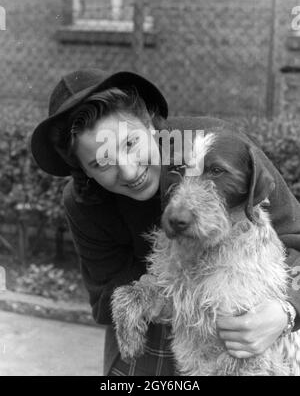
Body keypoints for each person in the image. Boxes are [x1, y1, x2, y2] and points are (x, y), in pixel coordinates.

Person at [31, 68, 300, 376]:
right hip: (156, 327)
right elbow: (105, 299)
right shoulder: (83, 203)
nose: (130, 172)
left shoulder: (217, 148)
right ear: (83, 171)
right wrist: (176, 283)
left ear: (149, 123)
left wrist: (286, 311)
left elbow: (296, 237)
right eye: (101, 162)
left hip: (251, 323)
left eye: (130, 143)